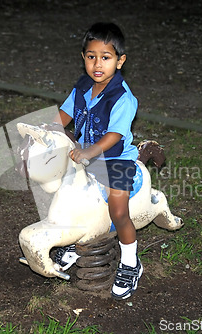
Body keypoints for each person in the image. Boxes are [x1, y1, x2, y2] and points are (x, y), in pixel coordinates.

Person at [53, 22, 142, 300]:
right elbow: (64, 115)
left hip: (115, 160)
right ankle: (74, 240)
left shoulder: (123, 98)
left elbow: (115, 134)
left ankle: (130, 263)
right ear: (83, 58)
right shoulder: (81, 88)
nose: (98, 64)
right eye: (91, 56)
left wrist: (90, 153)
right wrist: (45, 131)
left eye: (106, 57)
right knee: (64, 194)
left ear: (120, 61)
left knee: (118, 210)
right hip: (85, 154)